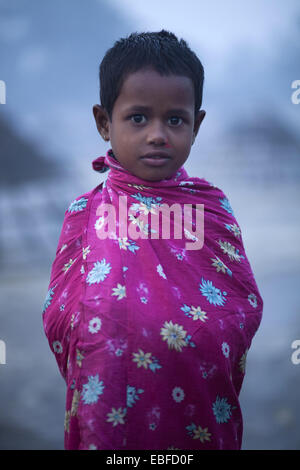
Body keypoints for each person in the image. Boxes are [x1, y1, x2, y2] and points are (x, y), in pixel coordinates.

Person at [42, 30, 263, 450]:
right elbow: (59, 315)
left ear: (196, 125)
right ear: (105, 122)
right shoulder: (86, 214)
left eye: (175, 119)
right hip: (105, 399)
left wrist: (179, 335)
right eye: (138, 117)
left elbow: (240, 308)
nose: (158, 134)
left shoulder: (211, 210)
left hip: (195, 404)